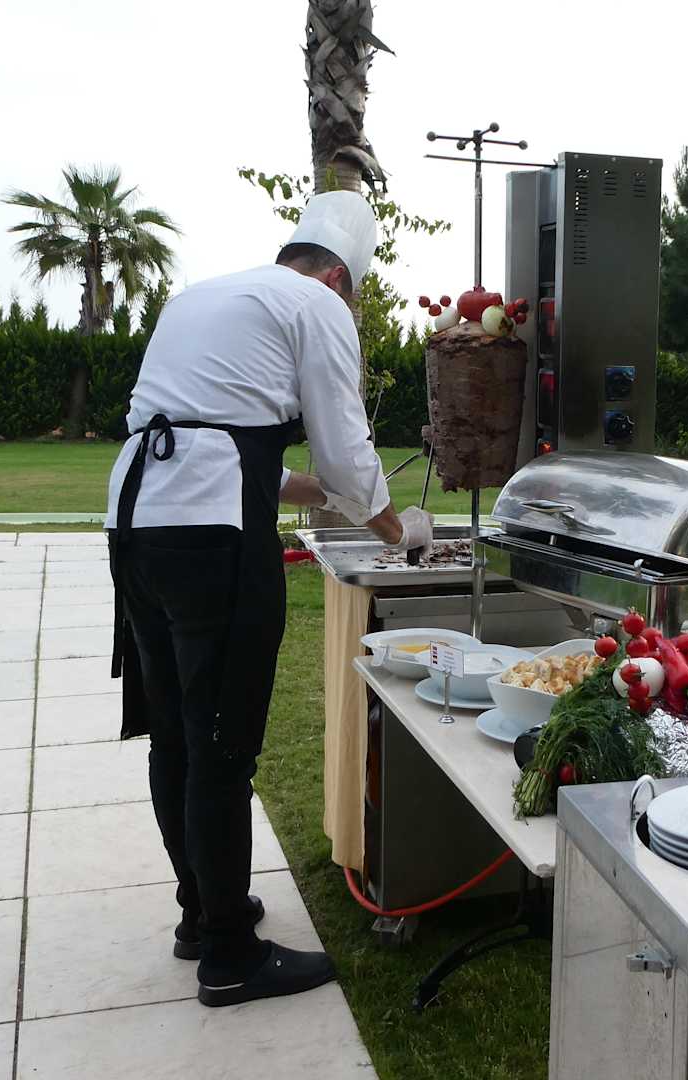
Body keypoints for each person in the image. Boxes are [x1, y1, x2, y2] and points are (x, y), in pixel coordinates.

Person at [104, 190, 433, 1009]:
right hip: (212, 539)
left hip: (137, 523)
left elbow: (210, 435)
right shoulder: (316, 305)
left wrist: (312, 489)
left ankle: (201, 913)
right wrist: (398, 529)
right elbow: (346, 448)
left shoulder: (205, 296)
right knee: (222, 745)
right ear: (339, 277)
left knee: (176, 735)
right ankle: (230, 957)